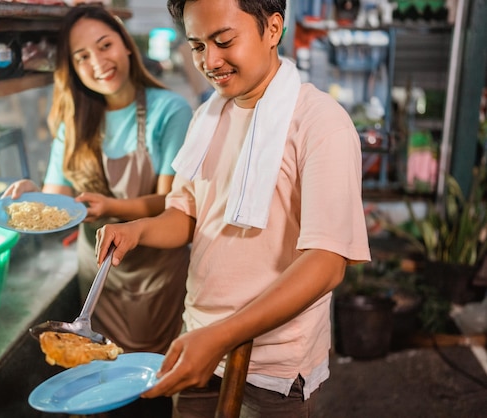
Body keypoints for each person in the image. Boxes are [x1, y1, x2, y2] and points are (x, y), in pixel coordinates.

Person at [94, 0, 372, 417]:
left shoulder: (320, 123)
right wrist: (139, 229)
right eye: (197, 46)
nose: (210, 60)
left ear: (273, 28)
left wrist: (222, 336)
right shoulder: (209, 115)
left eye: (223, 41)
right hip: (197, 346)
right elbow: (187, 214)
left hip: (271, 368)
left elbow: (327, 261)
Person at [2, 4, 193, 417]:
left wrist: (111, 207)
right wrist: (31, 196)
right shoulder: (74, 121)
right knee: (104, 390)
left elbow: (171, 200)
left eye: (105, 45)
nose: (97, 63)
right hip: (97, 285)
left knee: (150, 389)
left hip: (155, 282)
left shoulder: (169, 110)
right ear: (71, 67)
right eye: (82, 57)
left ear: (126, 45)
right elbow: (58, 200)